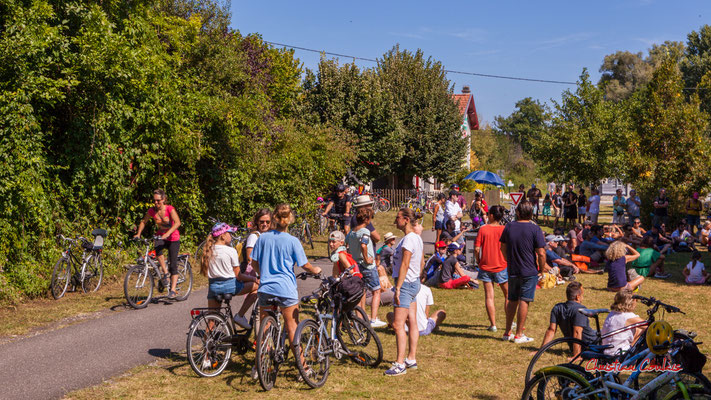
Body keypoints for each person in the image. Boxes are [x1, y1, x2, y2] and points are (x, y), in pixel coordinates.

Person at [251, 204, 322, 363]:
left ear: (274, 218)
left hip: (266, 287)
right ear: (290, 220)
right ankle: (302, 366)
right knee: (292, 327)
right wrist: (315, 270)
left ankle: (258, 365)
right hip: (285, 288)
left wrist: (262, 274)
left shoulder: (263, 238)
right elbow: (305, 265)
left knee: (265, 326)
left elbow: (253, 262)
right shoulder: (293, 241)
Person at [499, 200, 547, 344]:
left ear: (517, 212)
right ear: (531, 214)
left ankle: (507, 332)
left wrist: (510, 260)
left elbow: (503, 248)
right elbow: (542, 253)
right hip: (529, 270)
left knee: (512, 299)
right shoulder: (535, 229)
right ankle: (519, 334)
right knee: (524, 300)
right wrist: (541, 269)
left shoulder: (509, 226)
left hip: (513, 269)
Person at [385, 208, 424, 376]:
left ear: (406, 219)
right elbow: (422, 261)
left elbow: (405, 264)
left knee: (398, 324)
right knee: (412, 321)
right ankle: (411, 358)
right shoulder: (416, 238)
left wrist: (399, 287)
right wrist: (418, 277)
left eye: (398, 218)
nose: (396, 221)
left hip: (406, 284)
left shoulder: (408, 240)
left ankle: (400, 363)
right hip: (414, 282)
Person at [201, 223, 259, 330]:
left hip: (213, 287)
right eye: (230, 234)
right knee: (256, 287)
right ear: (222, 236)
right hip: (230, 286)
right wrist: (253, 278)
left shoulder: (208, 250)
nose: (231, 236)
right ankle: (240, 316)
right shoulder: (230, 251)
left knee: (212, 321)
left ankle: (207, 344)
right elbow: (239, 276)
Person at [134, 188, 182, 299]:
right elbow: (143, 221)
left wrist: (167, 234)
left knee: (173, 265)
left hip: (173, 238)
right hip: (161, 236)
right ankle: (165, 273)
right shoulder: (152, 211)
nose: (156, 203)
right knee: (157, 247)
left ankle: (173, 290)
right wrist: (138, 234)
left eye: (158, 201)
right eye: (154, 200)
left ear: (164, 199)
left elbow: (178, 223)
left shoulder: (170, 209)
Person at [346, 207, 385, 328]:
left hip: (356, 265)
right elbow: (364, 245)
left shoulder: (352, 232)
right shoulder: (365, 232)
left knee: (361, 290)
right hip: (367, 265)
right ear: (367, 219)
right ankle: (373, 319)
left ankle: (360, 316)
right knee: (376, 290)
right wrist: (367, 258)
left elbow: (346, 243)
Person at [538, 282, 597, 356]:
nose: (583, 297)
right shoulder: (580, 310)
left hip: (578, 345)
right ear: (577, 297)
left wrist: (540, 351)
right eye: (582, 295)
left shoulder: (557, 308)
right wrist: (576, 355)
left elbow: (551, 330)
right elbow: (577, 332)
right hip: (592, 345)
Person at [475, 205, 509, 332]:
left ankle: (493, 324)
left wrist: (479, 260)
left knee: (489, 296)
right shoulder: (504, 230)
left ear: (491, 216)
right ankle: (509, 322)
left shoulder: (483, 230)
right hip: (501, 265)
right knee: (507, 295)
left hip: (485, 266)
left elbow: (477, 249)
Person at [601, 290, 645, 356]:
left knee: (638, 329)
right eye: (635, 300)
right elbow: (649, 326)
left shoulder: (612, 313)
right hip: (618, 353)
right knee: (641, 329)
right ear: (631, 302)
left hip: (606, 351)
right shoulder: (628, 317)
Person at [244, 209, 272, 277]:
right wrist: (260, 274)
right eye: (262, 222)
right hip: (257, 275)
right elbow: (249, 259)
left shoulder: (270, 235)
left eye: (267, 222)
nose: (265, 224)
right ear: (257, 222)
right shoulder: (253, 237)